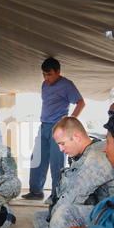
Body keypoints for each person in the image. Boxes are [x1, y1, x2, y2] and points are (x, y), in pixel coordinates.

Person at [22, 58, 86, 204]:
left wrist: (70, 121)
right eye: (44, 74)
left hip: (59, 128)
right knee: (37, 157)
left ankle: (56, 195)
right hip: (43, 125)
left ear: (58, 72)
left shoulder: (67, 85)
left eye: (49, 74)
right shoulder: (44, 85)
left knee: (57, 161)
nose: (46, 78)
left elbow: (81, 103)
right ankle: (36, 191)